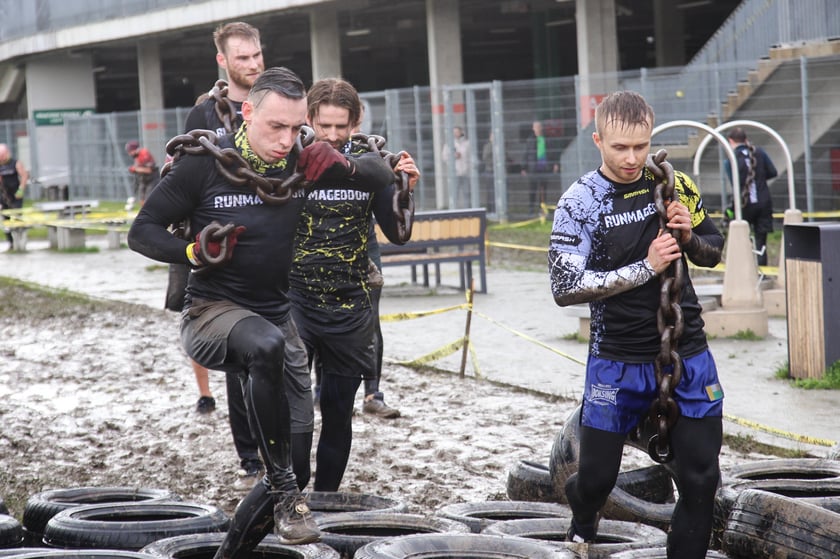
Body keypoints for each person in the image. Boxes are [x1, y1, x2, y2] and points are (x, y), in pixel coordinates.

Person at [127, 66, 396, 548]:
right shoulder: (205, 163)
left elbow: (379, 173)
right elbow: (141, 231)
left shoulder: (300, 160)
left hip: (276, 320)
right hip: (211, 312)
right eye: (276, 127)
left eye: (295, 128)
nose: (285, 140)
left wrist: (345, 164)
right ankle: (287, 493)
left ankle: (235, 548)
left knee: (293, 464)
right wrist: (192, 252)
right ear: (248, 112)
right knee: (267, 347)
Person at [548, 90, 725, 558]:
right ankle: (583, 519)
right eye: (620, 147)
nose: (632, 158)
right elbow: (564, 287)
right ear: (598, 141)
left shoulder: (673, 183)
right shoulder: (580, 201)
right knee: (596, 480)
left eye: (641, 146)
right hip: (616, 359)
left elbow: (713, 248)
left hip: (686, 352)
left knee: (702, 478)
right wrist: (646, 267)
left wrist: (688, 237)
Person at [288, 77, 418, 492]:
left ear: (355, 123)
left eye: (340, 126)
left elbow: (398, 234)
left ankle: (325, 500)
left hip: (350, 306)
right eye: (323, 125)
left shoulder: (369, 164)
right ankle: (290, 494)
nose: (331, 135)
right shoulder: (291, 159)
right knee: (294, 412)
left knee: (338, 412)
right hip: (296, 302)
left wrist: (405, 190)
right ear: (309, 119)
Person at [179, 21, 268, 486]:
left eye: (257, 55)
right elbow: (187, 182)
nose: (253, 64)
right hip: (226, 251)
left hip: (273, 245)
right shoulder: (203, 115)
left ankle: (280, 452)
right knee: (242, 359)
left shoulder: (277, 104)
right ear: (223, 60)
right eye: (243, 57)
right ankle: (250, 457)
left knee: (283, 357)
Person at [724, 127, 778, 266]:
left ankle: (745, 270)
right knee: (761, 240)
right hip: (763, 202)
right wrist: (758, 178)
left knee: (743, 238)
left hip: (744, 204)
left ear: (730, 141)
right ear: (746, 139)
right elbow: (772, 172)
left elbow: (735, 183)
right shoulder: (759, 152)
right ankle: (762, 271)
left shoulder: (731, 159)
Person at [521, 120, 559, 214]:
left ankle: (542, 208)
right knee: (532, 189)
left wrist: (555, 164)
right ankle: (531, 208)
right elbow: (526, 154)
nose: (537, 129)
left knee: (543, 189)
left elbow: (553, 153)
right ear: (533, 128)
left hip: (544, 168)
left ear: (542, 128)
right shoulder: (530, 140)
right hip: (533, 168)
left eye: (539, 127)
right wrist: (524, 168)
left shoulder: (547, 139)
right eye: (536, 127)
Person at [0, 143, 29, 249]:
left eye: (3, 156)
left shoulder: (15, 163)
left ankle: (21, 240)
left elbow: (24, 175)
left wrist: (21, 189)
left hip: (16, 195)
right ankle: (11, 242)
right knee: (5, 218)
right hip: (4, 195)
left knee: (17, 216)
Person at [441, 126, 470, 208]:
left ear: (461, 132)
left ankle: (467, 210)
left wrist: (468, 167)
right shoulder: (449, 144)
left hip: (465, 172)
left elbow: (470, 157)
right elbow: (444, 157)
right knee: (454, 193)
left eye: (457, 132)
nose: (456, 134)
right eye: (454, 132)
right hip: (454, 173)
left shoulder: (467, 143)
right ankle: (454, 210)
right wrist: (453, 156)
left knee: (466, 193)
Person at [125, 140, 158, 207]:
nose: (129, 154)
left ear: (135, 149)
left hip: (152, 179)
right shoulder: (137, 156)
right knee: (142, 200)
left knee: (148, 200)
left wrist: (135, 169)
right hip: (143, 180)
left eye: (130, 151)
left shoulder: (144, 154)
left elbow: (149, 170)